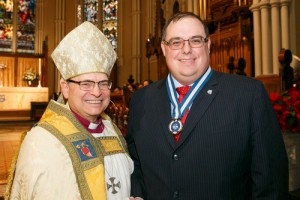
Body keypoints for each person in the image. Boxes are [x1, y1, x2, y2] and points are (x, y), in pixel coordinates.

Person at [126, 12, 288, 199]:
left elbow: (271, 183)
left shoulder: (248, 95)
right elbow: (134, 164)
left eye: (195, 40)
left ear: (208, 45)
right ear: (164, 48)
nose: (186, 49)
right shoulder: (141, 99)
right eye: (176, 42)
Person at [6, 21, 134, 200]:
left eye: (103, 83)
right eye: (86, 83)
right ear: (65, 88)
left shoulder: (111, 129)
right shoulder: (41, 141)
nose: (97, 92)